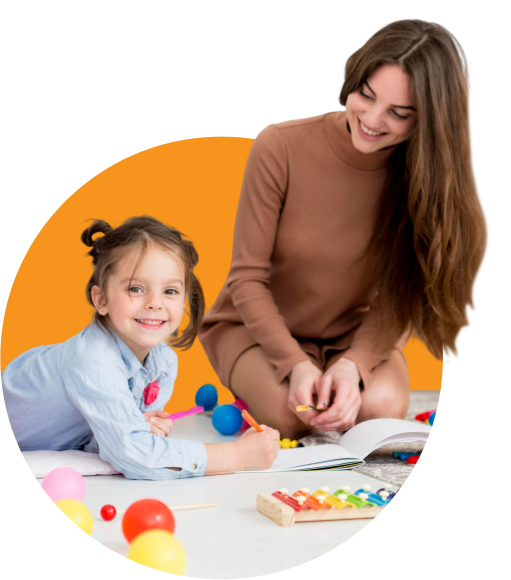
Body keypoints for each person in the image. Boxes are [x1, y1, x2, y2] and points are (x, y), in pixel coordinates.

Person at [198, 19, 489, 440]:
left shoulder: (423, 180)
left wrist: (354, 363)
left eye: (398, 113)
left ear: (429, 120)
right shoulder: (279, 146)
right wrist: (294, 364)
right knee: (294, 415)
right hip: (253, 329)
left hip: (350, 333)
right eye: (365, 96)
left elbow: (400, 294)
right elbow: (246, 279)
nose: (371, 119)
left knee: (382, 410)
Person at [2, 216, 280, 480]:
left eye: (170, 291)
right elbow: (136, 456)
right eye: (136, 289)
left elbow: (109, 446)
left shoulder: (163, 363)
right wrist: (236, 455)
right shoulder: (92, 359)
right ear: (101, 300)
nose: (155, 303)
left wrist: (140, 429)